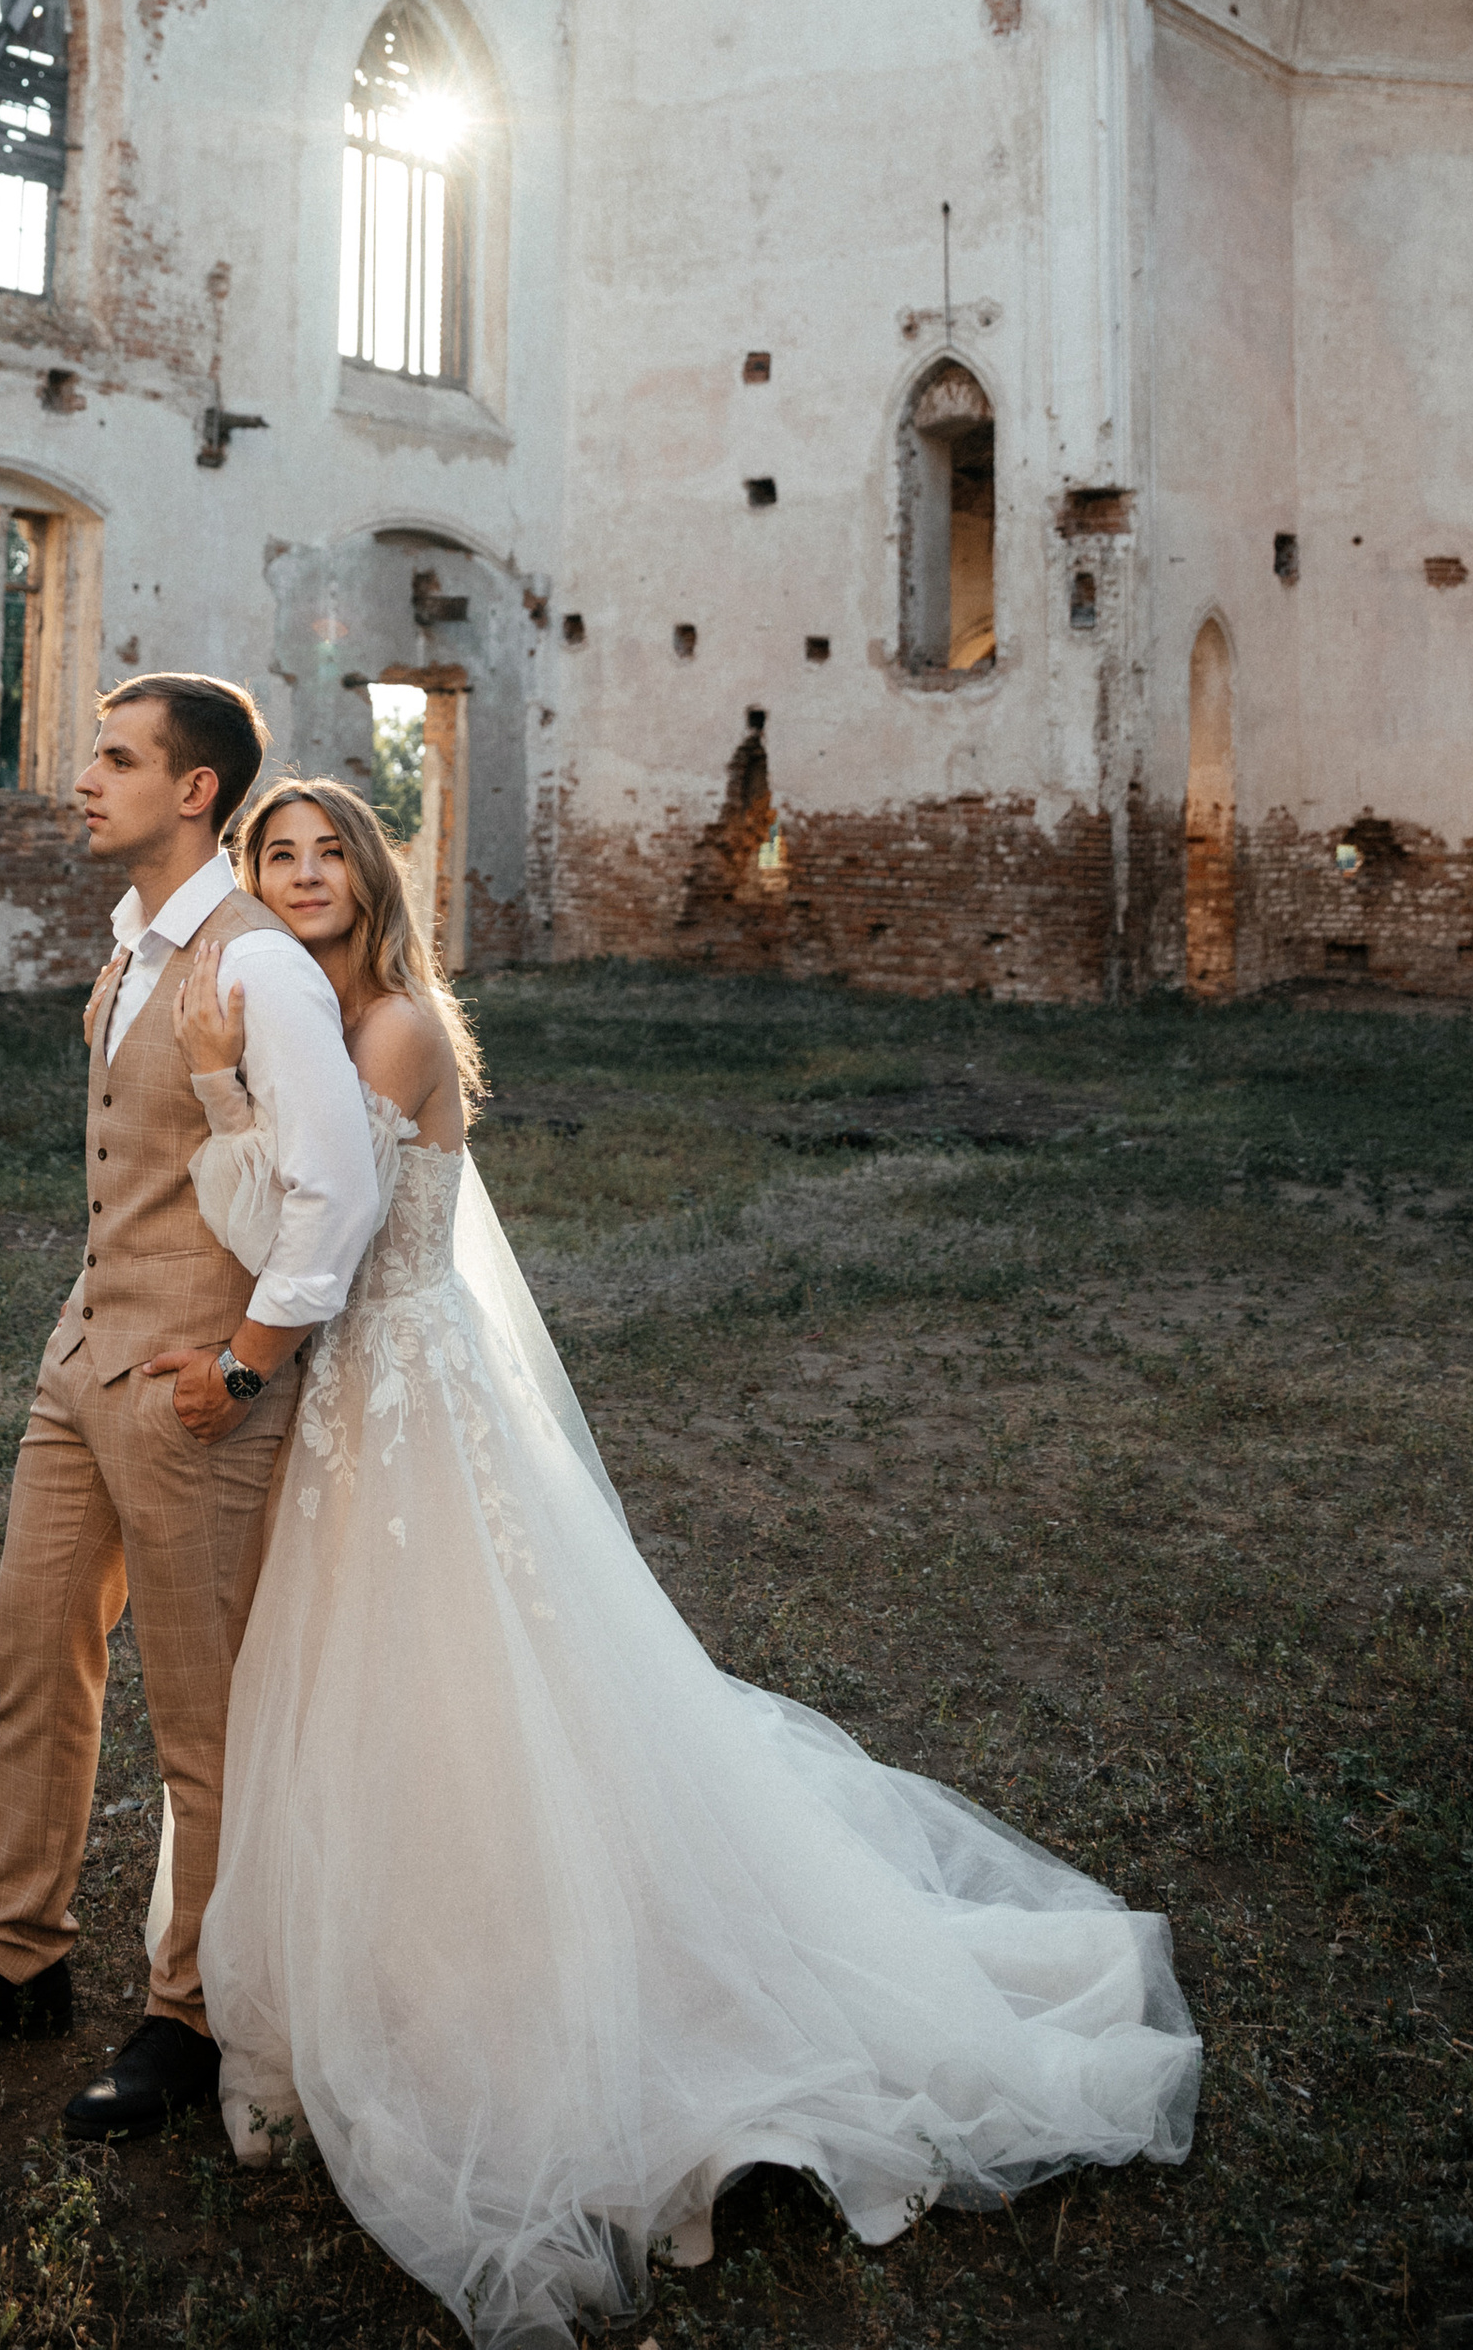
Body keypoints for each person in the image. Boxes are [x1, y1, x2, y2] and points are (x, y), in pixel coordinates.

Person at [183, 776, 1204, 2349]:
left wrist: (225, 1100)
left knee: (466, 1688)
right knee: (370, 1697)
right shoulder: (315, 1014)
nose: (304, 874)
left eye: (330, 854)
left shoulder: (383, 1029)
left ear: (375, 881)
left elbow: (298, 1246)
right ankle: (388, 1976)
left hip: (402, 1407)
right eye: (278, 856)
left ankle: (526, 1999)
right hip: (361, 1412)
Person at [0, 678, 384, 2143]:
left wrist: (245, 1364)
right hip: (81, 1367)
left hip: (199, 1391)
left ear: (195, 790)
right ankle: (18, 1957)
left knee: (202, 1727)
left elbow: (340, 1186)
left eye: (116, 758)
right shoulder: (135, 942)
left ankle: (192, 2016)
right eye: (94, 752)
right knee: (37, 1652)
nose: (83, 779)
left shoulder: (259, 966)